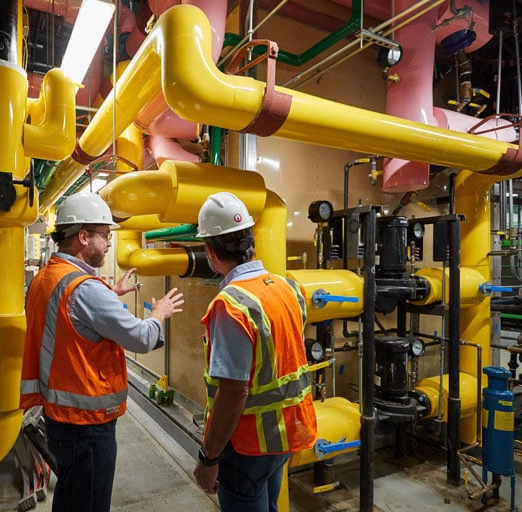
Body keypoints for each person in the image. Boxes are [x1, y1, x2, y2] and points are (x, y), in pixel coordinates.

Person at [20, 191, 184, 512]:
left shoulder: (47, 276)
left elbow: (71, 321)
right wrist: (158, 315)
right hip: (88, 424)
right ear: (83, 237)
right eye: (105, 236)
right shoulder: (86, 289)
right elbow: (141, 339)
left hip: (59, 417)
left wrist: (111, 293)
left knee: (70, 498)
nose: (109, 244)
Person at [192, 192, 317, 512]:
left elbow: (233, 392)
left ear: (210, 250)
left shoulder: (231, 305)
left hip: (247, 446)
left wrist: (209, 458)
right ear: (251, 240)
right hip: (285, 435)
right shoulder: (290, 288)